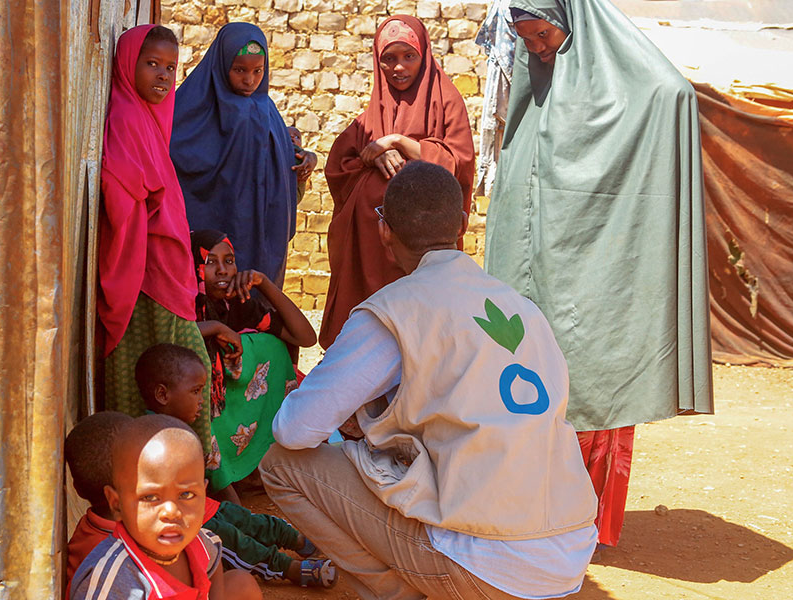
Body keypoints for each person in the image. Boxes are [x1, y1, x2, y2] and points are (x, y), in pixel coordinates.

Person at [260, 161, 598, 600]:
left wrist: (331, 411)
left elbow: (296, 430)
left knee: (281, 464)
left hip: (485, 565)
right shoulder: (524, 309)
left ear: (384, 231)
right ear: (461, 225)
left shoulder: (396, 310)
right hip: (567, 556)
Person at [485, 0, 713, 549]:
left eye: (542, 35)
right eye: (526, 38)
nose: (536, 47)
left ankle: (582, 524)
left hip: (596, 275)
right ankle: (532, 518)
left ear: (570, 18)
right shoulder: (530, 84)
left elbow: (674, 92)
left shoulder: (620, 79)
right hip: (534, 268)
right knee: (526, 389)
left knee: (593, 389)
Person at [319, 15, 476, 349]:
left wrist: (399, 142)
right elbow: (338, 165)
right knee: (374, 332)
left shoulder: (445, 101)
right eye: (388, 58)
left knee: (419, 334)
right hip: (371, 250)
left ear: (424, 56)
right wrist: (372, 157)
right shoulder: (374, 110)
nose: (398, 67)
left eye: (409, 56)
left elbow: (459, 163)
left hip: (422, 244)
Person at [97, 24, 213, 458]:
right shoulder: (127, 118)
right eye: (151, 64)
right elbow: (123, 186)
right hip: (147, 271)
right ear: (128, 65)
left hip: (162, 263)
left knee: (175, 373)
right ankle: (179, 469)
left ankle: (186, 472)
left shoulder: (150, 118)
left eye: (170, 67)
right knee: (178, 369)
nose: (163, 76)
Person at [135, 344, 337, 589]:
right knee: (238, 544)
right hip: (194, 523)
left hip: (207, 507)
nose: (202, 401)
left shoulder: (178, 429)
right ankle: (290, 569)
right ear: (163, 395)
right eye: (196, 392)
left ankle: (297, 540)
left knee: (247, 519)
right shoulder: (150, 440)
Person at [171, 22, 317, 285]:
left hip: (258, 231)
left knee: (253, 296)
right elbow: (174, 154)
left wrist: (302, 159)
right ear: (222, 63)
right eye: (240, 70)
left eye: (258, 71)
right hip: (213, 224)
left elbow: (281, 160)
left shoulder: (265, 110)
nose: (249, 80)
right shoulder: (195, 104)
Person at [68, 414, 262, 600]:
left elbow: (213, 558)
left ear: (203, 495)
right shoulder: (114, 579)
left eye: (186, 495)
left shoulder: (199, 542)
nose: (172, 511)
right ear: (116, 505)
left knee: (243, 584)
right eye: (151, 497)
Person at [190, 230, 316, 490]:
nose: (223, 270)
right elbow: (178, 335)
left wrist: (264, 283)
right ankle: (221, 476)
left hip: (237, 410)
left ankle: (254, 464)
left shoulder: (238, 303)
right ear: (193, 265)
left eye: (229, 260)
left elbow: (305, 336)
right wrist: (214, 327)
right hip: (203, 414)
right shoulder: (184, 304)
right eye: (210, 262)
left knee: (271, 346)